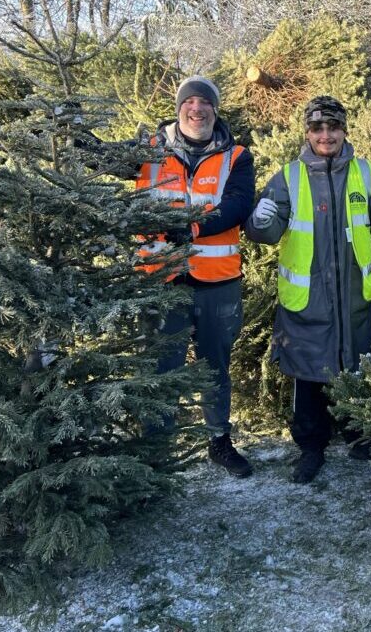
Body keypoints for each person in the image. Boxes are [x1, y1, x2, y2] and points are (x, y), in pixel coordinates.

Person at [245, 95, 371, 484]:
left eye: (333, 127)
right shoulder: (288, 177)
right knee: (309, 381)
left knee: (359, 372)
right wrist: (259, 222)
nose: (326, 134)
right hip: (307, 303)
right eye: (317, 128)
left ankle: (362, 437)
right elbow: (267, 232)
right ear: (307, 132)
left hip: (358, 302)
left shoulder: (367, 175)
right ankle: (311, 449)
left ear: (345, 129)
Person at [138, 75, 255, 478]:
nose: (197, 109)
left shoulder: (236, 156)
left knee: (214, 366)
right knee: (161, 368)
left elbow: (238, 205)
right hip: (162, 280)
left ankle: (219, 442)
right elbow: (100, 159)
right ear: (179, 107)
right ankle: (156, 451)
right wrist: (71, 130)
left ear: (215, 111)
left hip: (218, 282)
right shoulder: (148, 149)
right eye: (190, 102)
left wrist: (192, 228)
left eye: (206, 103)